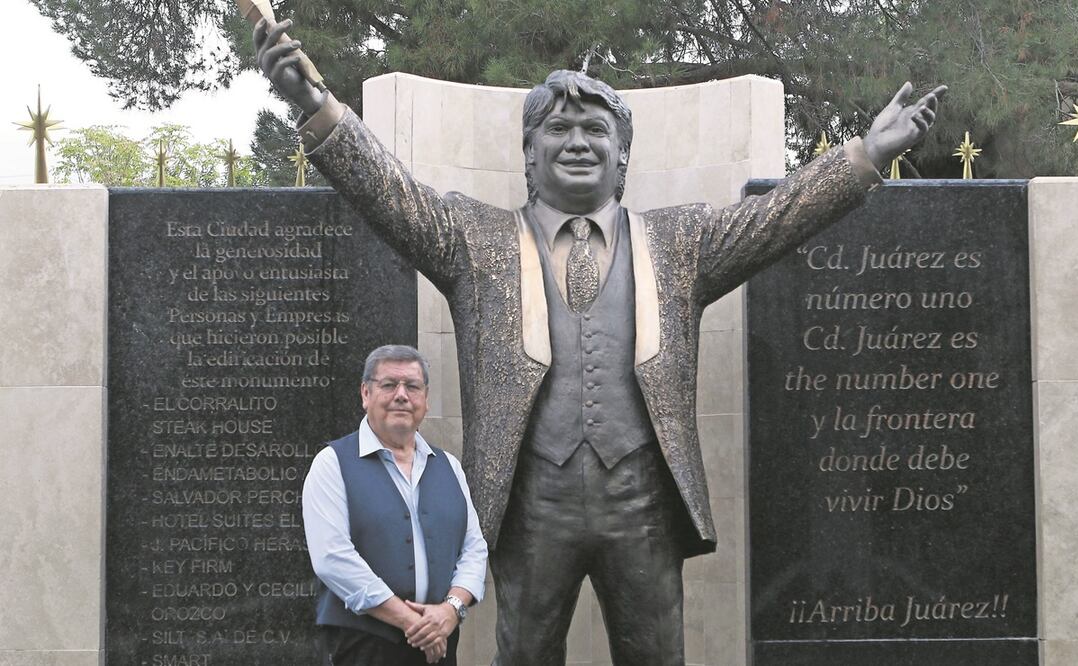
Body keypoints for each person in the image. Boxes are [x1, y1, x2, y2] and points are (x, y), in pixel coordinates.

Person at [257, 19, 945, 665]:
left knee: (654, 655)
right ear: (529, 156)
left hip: (642, 505)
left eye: (595, 129)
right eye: (559, 128)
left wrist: (866, 153)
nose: (578, 141)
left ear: (622, 158)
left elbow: (779, 217)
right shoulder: (477, 243)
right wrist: (316, 106)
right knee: (523, 655)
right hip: (529, 505)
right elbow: (390, 193)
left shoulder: (679, 240)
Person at [302, 345, 488, 665]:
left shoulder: (450, 467)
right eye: (389, 384)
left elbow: (474, 548)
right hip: (365, 645)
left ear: (425, 400)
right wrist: (411, 622)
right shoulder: (332, 464)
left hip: (440, 643)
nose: (402, 395)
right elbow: (332, 558)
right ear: (365, 393)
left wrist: (451, 610)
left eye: (412, 386)